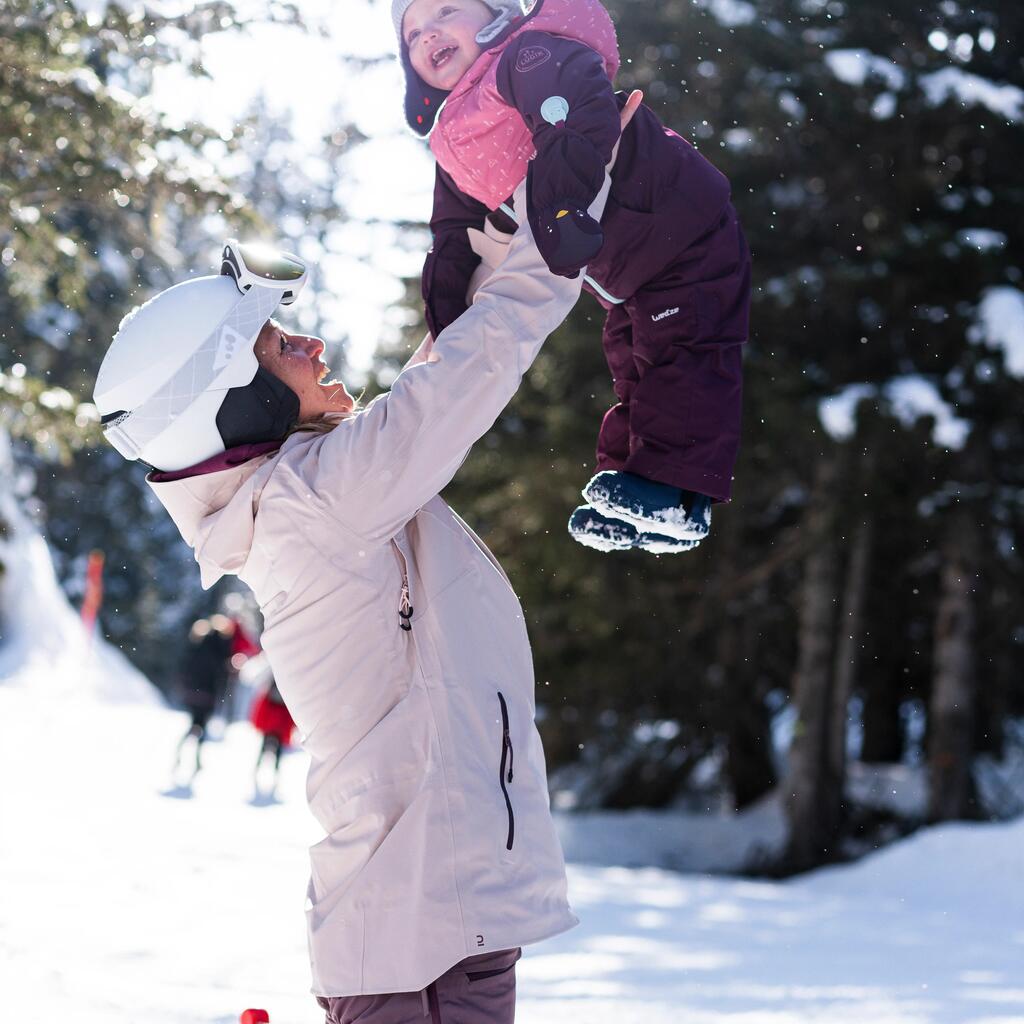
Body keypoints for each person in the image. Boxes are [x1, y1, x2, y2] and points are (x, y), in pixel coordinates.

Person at [92, 96, 638, 1023]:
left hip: (432, 926)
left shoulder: (306, 496)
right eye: (276, 345)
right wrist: (557, 229)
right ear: (238, 406)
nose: (308, 342)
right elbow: (469, 371)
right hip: (421, 941)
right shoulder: (315, 505)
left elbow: (437, 369)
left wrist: (507, 220)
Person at [394, 0, 752, 554]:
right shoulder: (453, 140)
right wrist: (448, 319)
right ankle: (635, 493)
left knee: (686, 349)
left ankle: (678, 498)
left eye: (445, 10)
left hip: (683, 227)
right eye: (412, 33)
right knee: (634, 364)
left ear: (497, 14)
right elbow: (454, 235)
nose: (428, 35)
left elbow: (576, 116)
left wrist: (561, 206)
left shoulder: (526, 55)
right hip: (629, 272)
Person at [173, 616, 234, 777]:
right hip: (208, 694)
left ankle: (182, 756)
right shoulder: (219, 647)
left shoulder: (198, 642)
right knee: (199, 726)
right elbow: (221, 673)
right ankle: (195, 760)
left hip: (193, 692)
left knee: (194, 725)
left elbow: (186, 667)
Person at [249, 677, 295, 795]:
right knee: (275, 753)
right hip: (278, 722)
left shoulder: (273, 683)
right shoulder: (287, 687)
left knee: (265, 750)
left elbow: (263, 706)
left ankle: (260, 771)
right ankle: (273, 773)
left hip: (271, 722)